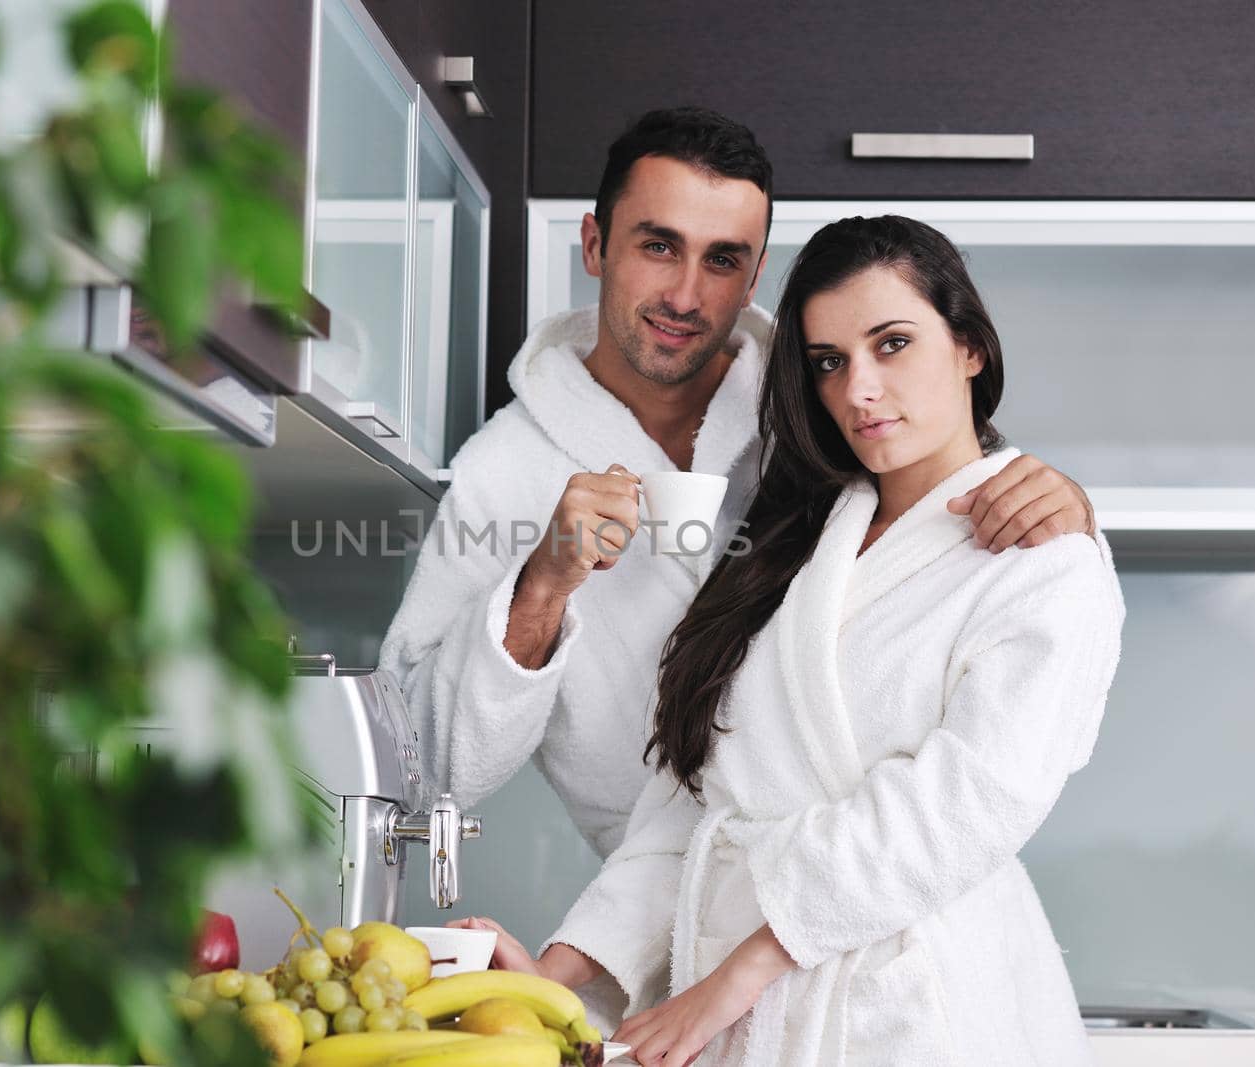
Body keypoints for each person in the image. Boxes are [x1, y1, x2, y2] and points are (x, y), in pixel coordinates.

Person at [378, 106, 1093, 920]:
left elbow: (940, 501)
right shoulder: (505, 472)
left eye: (723, 259)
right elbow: (419, 767)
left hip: (864, 880)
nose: (687, 295)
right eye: (657, 245)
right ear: (593, 244)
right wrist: (540, 587)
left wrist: (1060, 498)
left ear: (754, 278)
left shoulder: (816, 407)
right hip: (651, 912)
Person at [468, 215, 1124, 1066]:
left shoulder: (1044, 560)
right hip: (743, 1014)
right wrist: (550, 988)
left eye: (893, 344)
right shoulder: (793, 546)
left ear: (969, 346)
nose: (859, 390)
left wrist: (738, 975)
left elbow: (967, 805)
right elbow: (696, 806)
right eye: (829, 362)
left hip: (912, 1012)